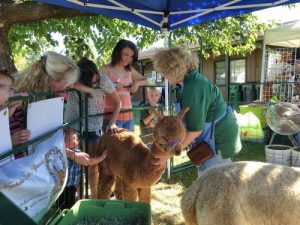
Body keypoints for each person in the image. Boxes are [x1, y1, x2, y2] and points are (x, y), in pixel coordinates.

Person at [153, 47, 241, 175]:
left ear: (174, 70)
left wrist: (169, 155)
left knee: (213, 180)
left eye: (164, 73)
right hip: (213, 136)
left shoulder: (193, 88)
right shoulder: (188, 83)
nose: (164, 77)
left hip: (217, 140)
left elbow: (195, 130)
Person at [64, 58, 121, 198]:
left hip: (94, 127)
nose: (95, 85)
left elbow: (118, 103)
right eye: (90, 83)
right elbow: (68, 83)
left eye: (95, 82)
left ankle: (94, 197)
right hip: (73, 127)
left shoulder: (104, 80)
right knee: (75, 162)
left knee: (92, 163)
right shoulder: (74, 81)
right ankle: (79, 195)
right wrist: (88, 89)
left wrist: (112, 123)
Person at [99, 39, 148, 132]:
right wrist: (112, 85)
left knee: (130, 146)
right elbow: (94, 84)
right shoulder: (105, 69)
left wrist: (137, 84)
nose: (128, 59)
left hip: (129, 118)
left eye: (131, 56)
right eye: (125, 54)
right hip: (111, 118)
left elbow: (146, 80)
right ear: (117, 53)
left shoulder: (130, 70)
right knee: (113, 147)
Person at [59, 128, 107, 209]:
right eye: (73, 139)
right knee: (65, 205)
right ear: (64, 142)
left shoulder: (76, 151)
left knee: (69, 202)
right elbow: (89, 161)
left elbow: (88, 161)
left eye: (76, 139)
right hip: (64, 187)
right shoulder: (62, 153)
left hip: (73, 184)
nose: (77, 142)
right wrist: (102, 157)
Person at [0, 68, 30, 151]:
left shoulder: (17, 112)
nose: (10, 92)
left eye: (11, 88)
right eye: (1, 86)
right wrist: (11, 142)